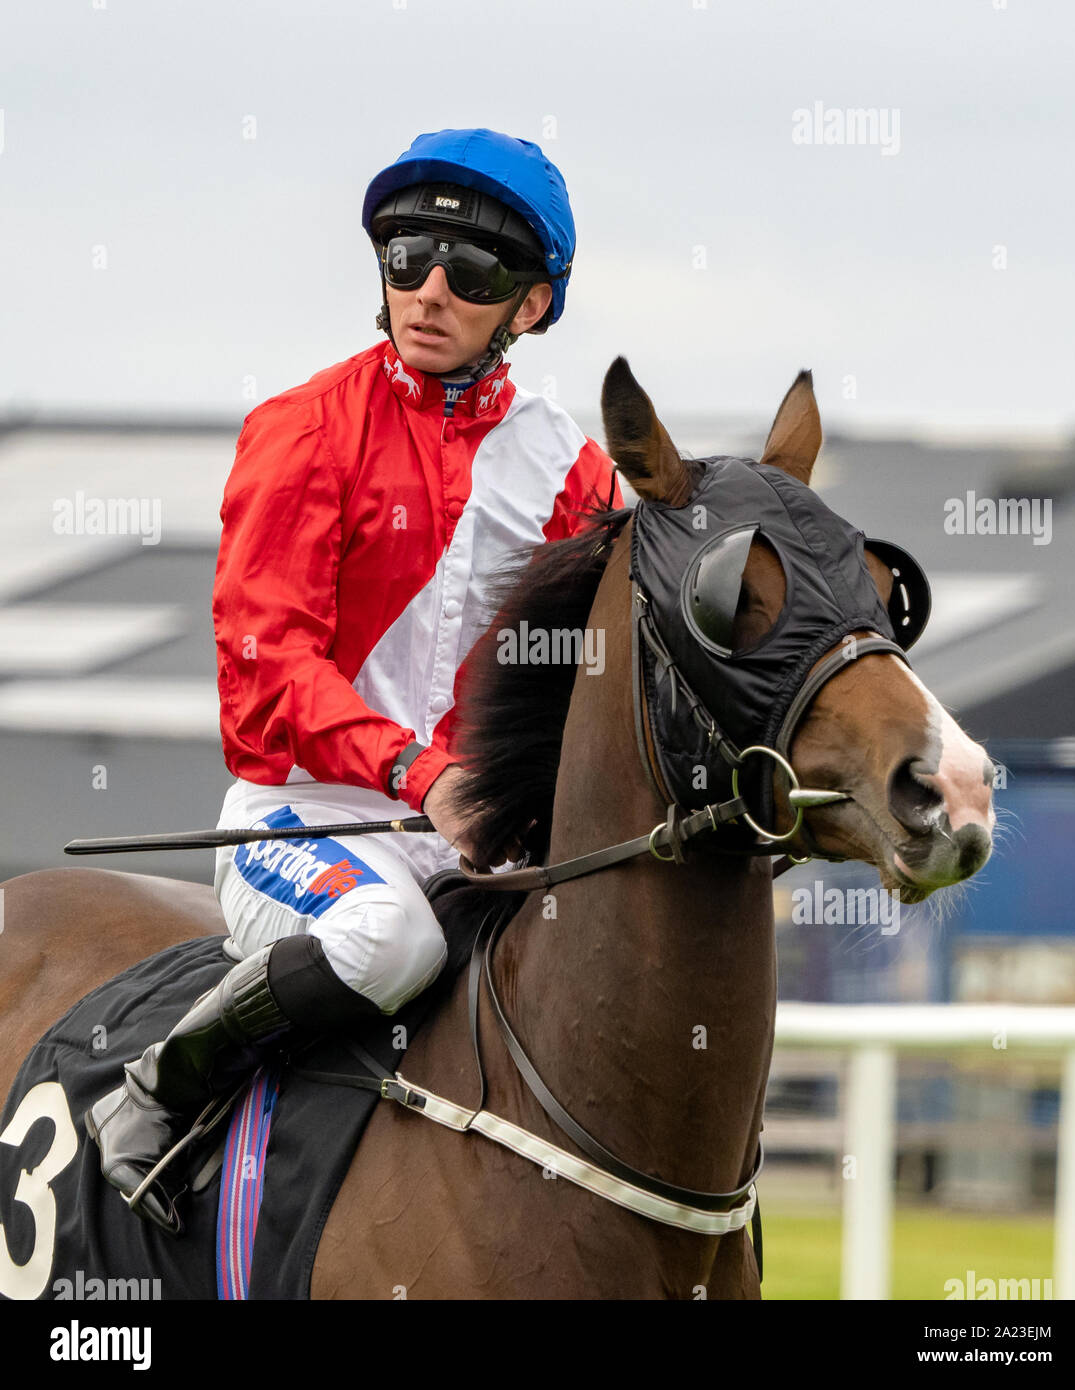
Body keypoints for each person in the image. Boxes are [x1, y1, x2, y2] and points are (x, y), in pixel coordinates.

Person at [85, 127, 623, 1233]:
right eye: (404, 258)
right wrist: (421, 773)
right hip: (303, 820)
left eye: (468, 274)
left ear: (527, 307)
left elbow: (602, 659)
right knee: (391, 941)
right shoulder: (303, 429)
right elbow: (264, 670)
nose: (427, 291)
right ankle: (161, 1091)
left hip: (478, 837)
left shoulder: (570, 466)